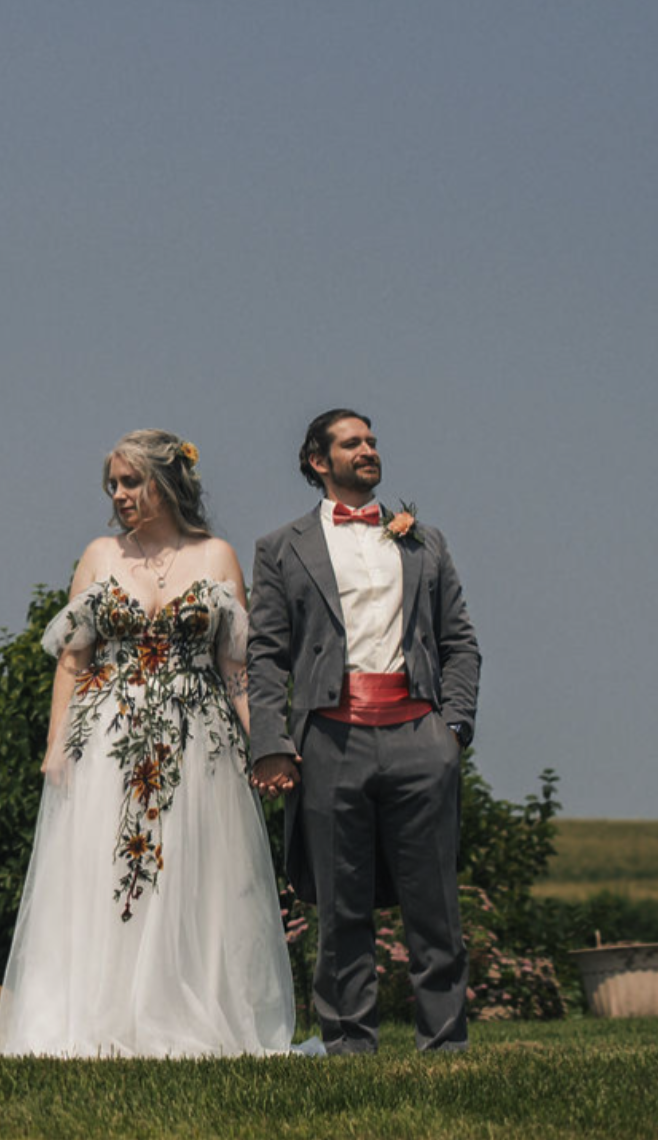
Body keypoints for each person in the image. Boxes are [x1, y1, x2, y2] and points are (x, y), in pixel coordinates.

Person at [0, 430, 302, 1058]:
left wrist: (270, 740)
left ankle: (182, 1010)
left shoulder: (217, 556)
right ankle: (103, 1015)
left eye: (131, 482)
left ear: (167, 483)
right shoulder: (100, 554)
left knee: (193, 875)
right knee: (108, 870)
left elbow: (236, 667)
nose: (119, 494)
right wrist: (56, 745)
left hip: (198, 742)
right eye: (113, 483)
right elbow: (72, 659)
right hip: (107, 738)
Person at [246, 409, 481, 1054]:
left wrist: (452, 728)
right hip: (329, 742)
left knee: (433, 907)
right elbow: (265, 654)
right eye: (353, 443)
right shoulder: (279, 548)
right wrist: (270, 742)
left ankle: (446, 1045)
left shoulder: (423, 541)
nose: (369, 450)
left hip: (419, 737)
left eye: (373, 441)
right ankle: (350, 1044)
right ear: (319, 461)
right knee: (340, 905)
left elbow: (460, 641)